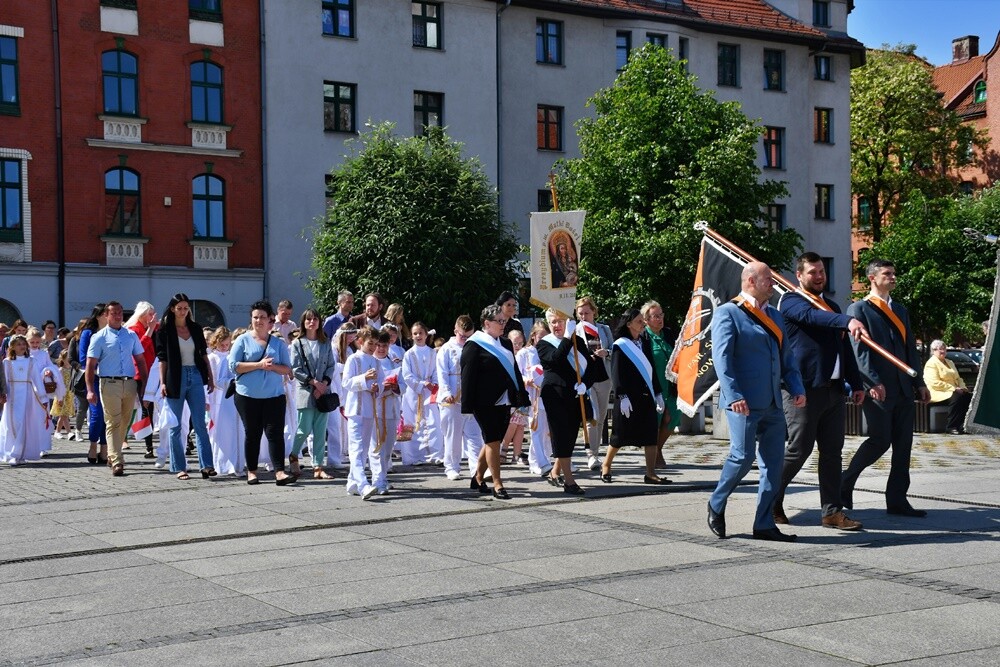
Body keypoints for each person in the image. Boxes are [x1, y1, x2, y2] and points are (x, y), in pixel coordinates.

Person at [706, 262, 805, 542]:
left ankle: (763, 523)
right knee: (742, 456)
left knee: (773, 464)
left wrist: (796, 387)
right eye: (768, 280)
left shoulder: (774, 315)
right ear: (751, 280)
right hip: (744, 402)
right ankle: (716, 502)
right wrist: (734, 394)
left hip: (774, 403)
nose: (773, 285)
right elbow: (722, 360)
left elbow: (787, 358)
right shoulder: (729, 313)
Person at [773, 252, 867, 531]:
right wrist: (845, 321)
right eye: (812, 272)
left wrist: (857, 383)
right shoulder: (790, 301)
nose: (819, 277)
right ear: (799, 276)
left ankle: (832, 512)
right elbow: (811, 318)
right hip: (802, 390)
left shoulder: (832, 306)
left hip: (833, 392)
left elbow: (844, 348)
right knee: (798, 450)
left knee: (832, 453)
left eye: (822, 271)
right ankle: (770, 499)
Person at [842, 259, 930, 517]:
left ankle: (898, 500)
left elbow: (908, 349)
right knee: (880, 440)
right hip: (878, 388)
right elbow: (860, 353)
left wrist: (920, 383)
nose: (893, 277)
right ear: (872, 278)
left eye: (894, 273)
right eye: (887, 274)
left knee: (903, 446)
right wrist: (871, 382)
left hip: (903, 388)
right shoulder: (859, 309)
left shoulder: (900, 310)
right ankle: (844, 482)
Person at [460, 304, 530, 500]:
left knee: (494, 439)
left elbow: (515, 371)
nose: (503, 324)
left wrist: (521, 396)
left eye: (504, 321)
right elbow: (467, 376)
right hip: (483, 401)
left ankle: (478, 477)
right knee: (492, 440)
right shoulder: (474, 345)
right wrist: (467, 405)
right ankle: (497, 484)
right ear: (486, 323)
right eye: (499, 321)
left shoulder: (506, 343)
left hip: (504, 399)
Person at [229, 300, 296, 486]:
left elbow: (287, 369)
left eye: (262, 317)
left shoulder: (278, 343)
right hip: (247, 396)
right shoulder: (242, 340)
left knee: (275, 434)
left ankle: (280, 471)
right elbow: (234, 366)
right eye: (255, 317)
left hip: (274, 396)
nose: (259, 321)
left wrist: (272, 366)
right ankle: (251, 471)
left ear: (270, 321)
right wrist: (259, 365)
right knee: (253, 433)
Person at [537, 309, 603, 495]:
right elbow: (555, 360)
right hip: (555, 396)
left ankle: (554, 473)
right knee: (561, 436)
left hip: (576, 394)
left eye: (560, 321)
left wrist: (585, 384)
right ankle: (569, 481)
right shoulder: (543, 344)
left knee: (571, 436)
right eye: (553, 322)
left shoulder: (578, 342)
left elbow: (590, 368)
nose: (556, 325)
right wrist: (566, 337)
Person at [601, 308, 669, 485]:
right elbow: (616, 373)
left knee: (650, 436)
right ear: (629, 324)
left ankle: (650, 473)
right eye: (639, 321)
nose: (643, 324)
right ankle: (606, 466)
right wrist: (622, 396)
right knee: (619, 436)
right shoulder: (620, 345)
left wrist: (659, 393)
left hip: (646, 396)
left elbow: (651, 369)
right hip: (627, 399)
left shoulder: (645, 342)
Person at [85, 301, 149, 477]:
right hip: (109, 383)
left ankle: (113, 455)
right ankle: (117, 460)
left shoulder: (130, 335)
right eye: (114, 313)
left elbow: (141, 360)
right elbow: (90, 365)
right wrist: (90, 390)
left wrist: (145, 386)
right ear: (106, 315)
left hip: (129, 383)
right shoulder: (99, 337)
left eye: (120, 313)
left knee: (125, 421)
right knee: (113, 421)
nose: (118, 316)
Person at [155, 294, 215, 481]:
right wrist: (163, 382)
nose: (183, 311)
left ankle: (207, 465)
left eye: (185, 308)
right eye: (179, 308)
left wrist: (210, 377)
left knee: (199, 424)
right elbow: (162, 359)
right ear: (172, 308)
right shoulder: (164, 331)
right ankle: (179, 467)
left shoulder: (195, 328)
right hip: (175, 377)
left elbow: (204, 355)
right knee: (176, 425)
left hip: (195, 375)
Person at [289, 308, 337, 480]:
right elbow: (296, 368)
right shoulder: (297, 343)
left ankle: (318, 466)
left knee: (320, 430)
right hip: (306, 389)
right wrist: (314, 383)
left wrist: (323, 383)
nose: (312, 322)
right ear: (303, 322)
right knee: (304, 428)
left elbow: (331, 365)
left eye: (315, 319)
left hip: (323, 391)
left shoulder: (326, 342)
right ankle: (294, 455)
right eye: (308, 319)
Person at [436, 315, 483, 481]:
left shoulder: (475, 347)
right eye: (462, 336)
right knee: (453, 436)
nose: (465, 339)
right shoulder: (446, 349)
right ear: (456, 331)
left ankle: (476, 469)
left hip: (470, 399)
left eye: (468, 336)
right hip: (452, 400)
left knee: (474, 436)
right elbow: (441, 374)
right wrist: (446, 392)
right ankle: (451, 467)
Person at [342, 325, 384, 499]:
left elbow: (380, 384)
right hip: (355, 410)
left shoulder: (376, 362)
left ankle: (352, 481)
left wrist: (376, 388)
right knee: (357, 448)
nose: (373, 347)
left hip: (369, 409)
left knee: (364, 448)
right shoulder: (353, 359)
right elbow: (346, 382)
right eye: (370, 343)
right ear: (360, 342)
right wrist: (364, 379)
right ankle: (363, 484)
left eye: (375, 344)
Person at [640, 300, 680, 470]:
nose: (660, 319)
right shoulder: (643, 337)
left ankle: (657, 449)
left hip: (671, 384)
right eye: (655, 316)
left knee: (673, 418)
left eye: (661, 315)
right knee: (657, 419)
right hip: (653, 383)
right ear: (646, 320)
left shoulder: (669, 334)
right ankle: (655, 453)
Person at [0, 335, 51, 465]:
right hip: (12, 396)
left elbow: (37, 380)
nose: (22, 347)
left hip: (27, 396)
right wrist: (3, 394)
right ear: (12, 347)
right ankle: (11, 452)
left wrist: (43, 397)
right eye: (18, 344)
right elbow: (4, 380)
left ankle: (20, 454)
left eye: (23, 344)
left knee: (23, 422)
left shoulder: (31, 361)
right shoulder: (7, 362)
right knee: (12, 423)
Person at [576, 296, 613, 471]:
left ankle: (596, 454)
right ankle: (591, 455)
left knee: (602, 417)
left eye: (587, 313)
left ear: (594, 313)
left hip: (604, 377)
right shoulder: (575, 330)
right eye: (580, 313)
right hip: (587, 379)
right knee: (592, 418)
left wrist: (606, 352)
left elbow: (614, 350)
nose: (584, 316)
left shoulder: (603, 329)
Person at [401, 322, 442, 466]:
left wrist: (435, 383)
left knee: (433, 422)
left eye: (420, 333)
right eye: (415, 333)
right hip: (414, 394)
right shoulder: (409, 354)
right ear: (412, 336)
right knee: (414, 422)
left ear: (426, 334)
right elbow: (406, 375)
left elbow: (437, 370)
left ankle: (434, 454)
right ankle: (414, 456)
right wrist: (422, 384)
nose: (418, 336)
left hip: (429, 394)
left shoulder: (432, 353)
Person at [206, 327, 245, 476]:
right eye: (222, 344)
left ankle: (236, 463)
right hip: (216, 398)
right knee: (216, 432)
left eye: (227, 344)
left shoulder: (230, 357)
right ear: (216, 343)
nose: (224, 347)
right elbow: (212, 381)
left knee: (232, 431)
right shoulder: (212, 358)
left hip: (229, 399)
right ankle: (217, 463)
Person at [519, 321, 553, 476]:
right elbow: (517, 374)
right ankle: (541, 462)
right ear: (533, 336)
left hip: (546, 395)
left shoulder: (548, 352)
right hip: (532, 396)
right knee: (536, 429)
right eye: (541, 337)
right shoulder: (524, 353)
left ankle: (538, 460)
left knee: (546, 431)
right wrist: (526, 380)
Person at [125, 301, 157, 458]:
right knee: (145, 408)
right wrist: (150, 330)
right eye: (150, 314)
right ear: (143, 314)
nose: (152, 317)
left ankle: (149, 443)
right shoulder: (133, 329)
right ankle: (148, 445)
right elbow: (139, 348)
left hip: (153, 371)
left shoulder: (149, 327)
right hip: (140, 374)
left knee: (150, 409)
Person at [79, 304, 109, 464]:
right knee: (97, 414)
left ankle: (104, 448)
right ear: (98, 316)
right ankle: (92, 445)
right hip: (94, 378)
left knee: (108, 415)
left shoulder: (114, 332)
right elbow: (83, 359)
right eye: (106, 314)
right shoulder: (88, 333)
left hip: (111, 379)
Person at [924, 339, 973, 435]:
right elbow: (934, 382)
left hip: (953, 390)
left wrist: (963, 388)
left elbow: (958, 378)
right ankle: (951, 427)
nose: (943, 351)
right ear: (934, 351)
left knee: (968, 397)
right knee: (957, 398)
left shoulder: (950, 362)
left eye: (944, 349)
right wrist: (954, 389)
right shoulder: (931, 363)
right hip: (938, 392)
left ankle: (963, 426)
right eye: (940, 349)